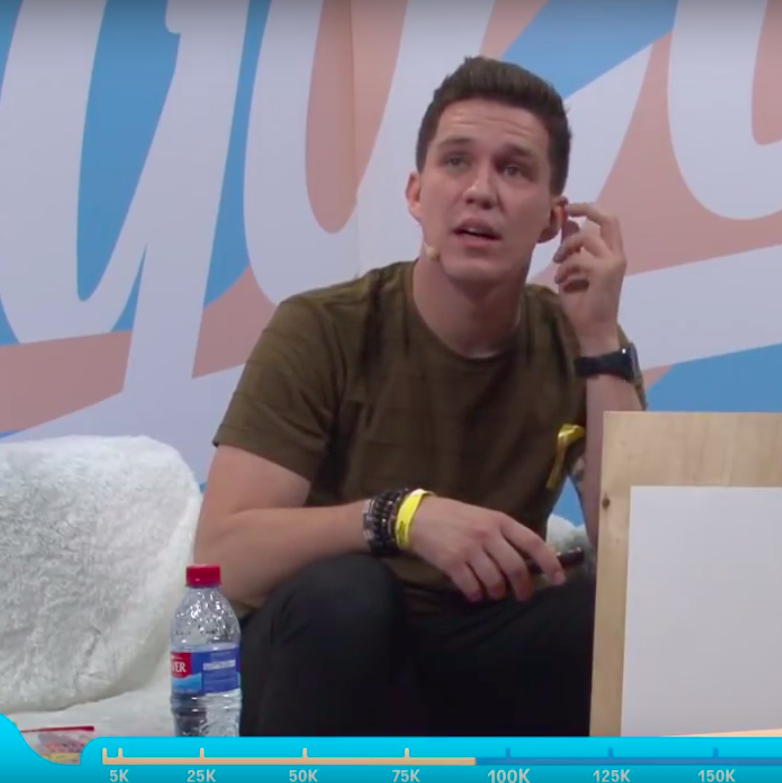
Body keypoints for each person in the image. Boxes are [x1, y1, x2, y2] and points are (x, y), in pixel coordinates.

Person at [194, 56, 647, 737]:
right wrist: (399, 517)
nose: (481, 191)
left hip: (470, 648)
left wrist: (600, 339)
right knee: (349, 596)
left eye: (514, 170)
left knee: (596, 614)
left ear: (555, 220)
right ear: (415, 193)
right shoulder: (324, 327)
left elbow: (640, 561)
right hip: (323, 649)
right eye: (456, 162)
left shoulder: (579, 343)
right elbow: (221, 559)